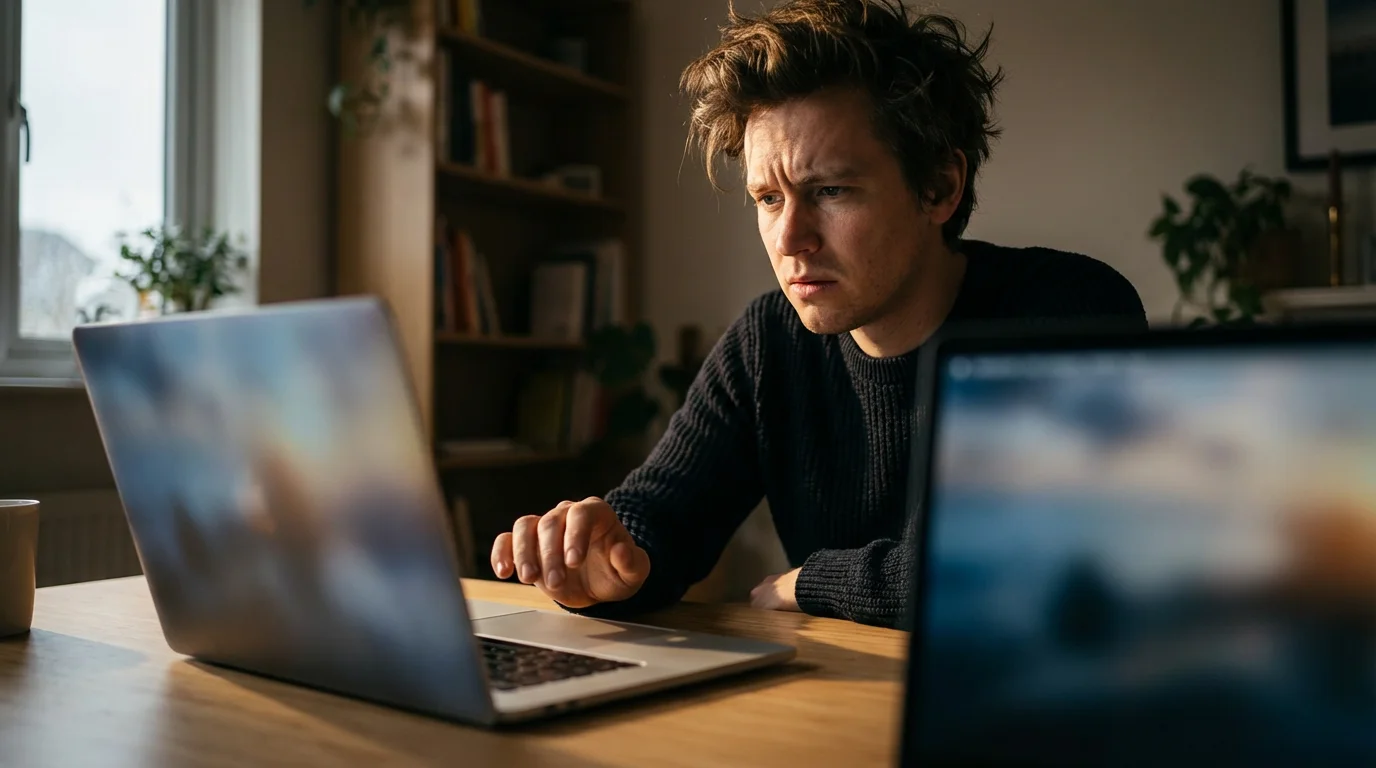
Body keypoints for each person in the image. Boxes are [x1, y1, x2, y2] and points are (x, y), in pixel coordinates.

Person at [490, 0, 1147, 628]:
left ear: (940, 186)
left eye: (830, 190)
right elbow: (662, 514)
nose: (790, 239)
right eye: (768, 199)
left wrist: (808, 581)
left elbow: (1019, 568)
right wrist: (606, 558)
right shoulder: (767, 341)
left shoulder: (1063, 310)